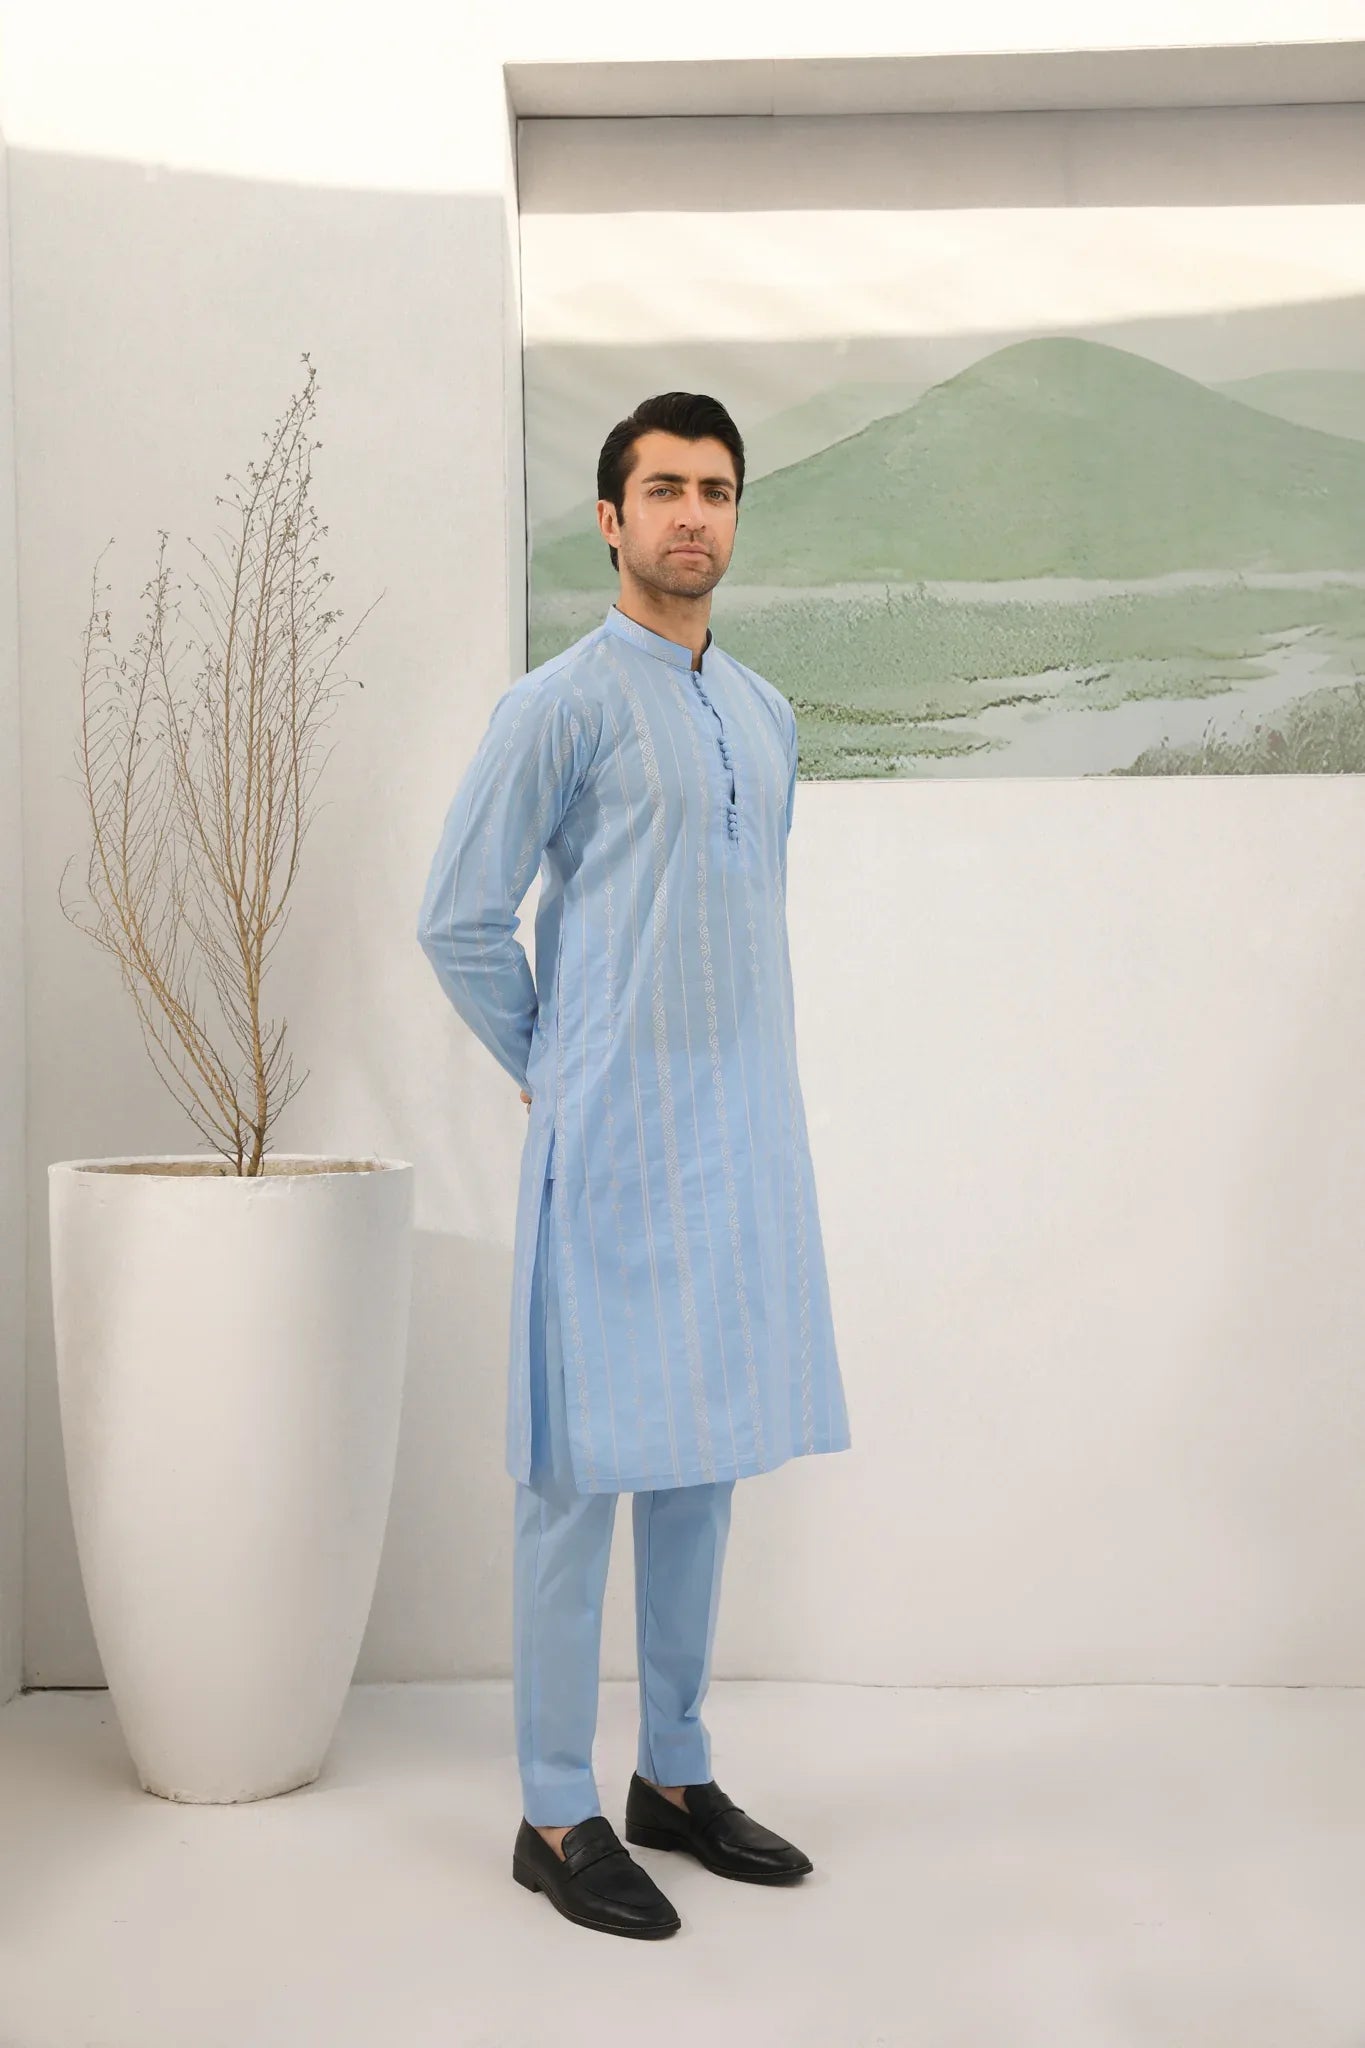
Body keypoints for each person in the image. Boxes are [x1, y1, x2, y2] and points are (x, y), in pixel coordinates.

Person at [416, 390, 852, 1939]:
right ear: (609, 518)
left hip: (738, 1149)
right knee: (571, 1476)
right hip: (606, 1149)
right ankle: (554, 1807)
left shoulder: (767, 715)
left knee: (698, 1462)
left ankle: (674, 1772)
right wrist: (558, 1066)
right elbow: (457, 917)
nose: (690, 514)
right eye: (662, 488)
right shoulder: (558, 705)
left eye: (714, 490)